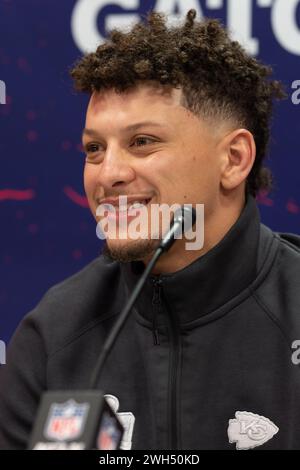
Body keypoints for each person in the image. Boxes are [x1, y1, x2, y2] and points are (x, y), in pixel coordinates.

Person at [0, 9, 299, 450]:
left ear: (234, 159)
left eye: (142, 142)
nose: (109, 174)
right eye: (94, 149)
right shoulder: (52, 337)